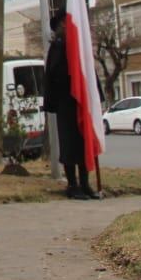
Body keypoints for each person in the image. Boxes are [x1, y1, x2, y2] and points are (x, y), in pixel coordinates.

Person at [43, 10, 97, 200]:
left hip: (82, 100)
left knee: (83, 142)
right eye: (65, 23)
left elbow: (89, 71)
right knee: (69, 144)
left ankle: (85, 183)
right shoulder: (58, 47)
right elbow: (55, 74)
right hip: (66, 100)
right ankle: (72, 184)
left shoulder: (80, 46)